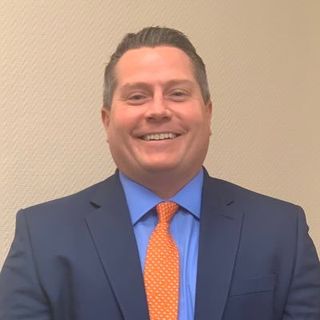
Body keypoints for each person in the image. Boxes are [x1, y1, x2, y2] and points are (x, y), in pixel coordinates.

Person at [0, 26, 319, 320]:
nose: (157, 110)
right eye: (137, 96)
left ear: (208, 113)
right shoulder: (42, 236)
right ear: (106, 121)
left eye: (177, 93)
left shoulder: (281, 231)